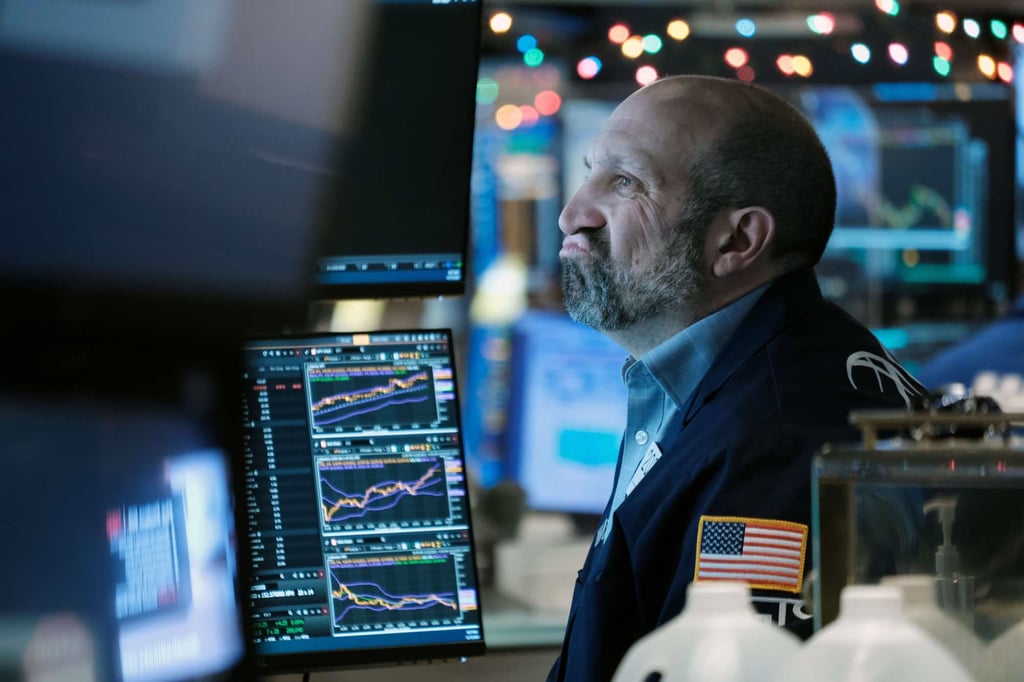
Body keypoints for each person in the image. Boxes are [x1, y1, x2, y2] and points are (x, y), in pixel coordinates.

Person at [548, 74, 924, 681]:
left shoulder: (777, 442)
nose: (573, 213)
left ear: (737, 240)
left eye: (624, 183)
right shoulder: (738, 377)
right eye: (591, 171)